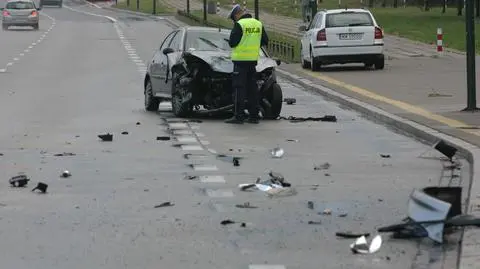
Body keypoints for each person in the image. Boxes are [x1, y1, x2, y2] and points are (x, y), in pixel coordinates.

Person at [225, 4, 269, 124]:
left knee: (239, 89)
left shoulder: (240, 25)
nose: (234, 21)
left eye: (233, 18)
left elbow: (232, 43)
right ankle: (253, 116)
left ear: (237, 14)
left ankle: (238, 116)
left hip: (240, 62)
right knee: (252, 89)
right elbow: (265, 40)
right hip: (252, 62)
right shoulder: (258, 24)